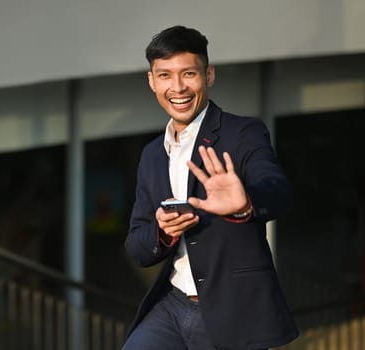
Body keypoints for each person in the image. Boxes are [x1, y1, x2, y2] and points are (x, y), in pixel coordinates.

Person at [122, 25, 299, 350]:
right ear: (151, 81)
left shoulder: (243, 133)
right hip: (172, 305)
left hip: (233, 310)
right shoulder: (151, 154)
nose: (177, 87)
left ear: (209, 75)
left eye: (188, 73)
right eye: (164, 76)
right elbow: (136, 247)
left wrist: (244, 204)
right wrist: (162, 231)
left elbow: (278, 192)